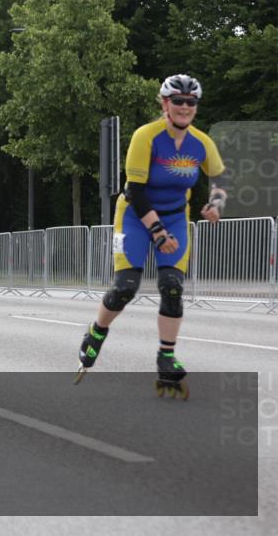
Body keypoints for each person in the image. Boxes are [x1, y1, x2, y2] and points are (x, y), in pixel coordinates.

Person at [75, 74, 228, 397]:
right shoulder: (146, 136)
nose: (185, 107)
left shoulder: (201, 143)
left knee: (172, 287)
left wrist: (216, 203)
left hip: (174, 219)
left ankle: (166, 357)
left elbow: (219, 178)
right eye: (178, 101)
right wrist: (156, 232)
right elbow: (135, 191)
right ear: (165, 104)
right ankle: (96, 332)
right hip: (134, 217)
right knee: (125, 288)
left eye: (191, 103)